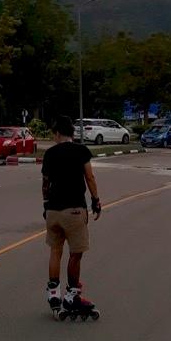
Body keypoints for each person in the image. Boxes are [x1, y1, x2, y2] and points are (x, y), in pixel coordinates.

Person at [42, 115, 101, 315]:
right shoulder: (81, 151)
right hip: (74, 209)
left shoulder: (49, 154)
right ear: (72, 133)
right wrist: (95, 201)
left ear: (58, 133)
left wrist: (45, 205)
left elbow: (45, 183)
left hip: (52, 211)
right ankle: (72, 295)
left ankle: (53, 293)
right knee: (76, 254)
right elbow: (90, 177)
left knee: (55, 251)